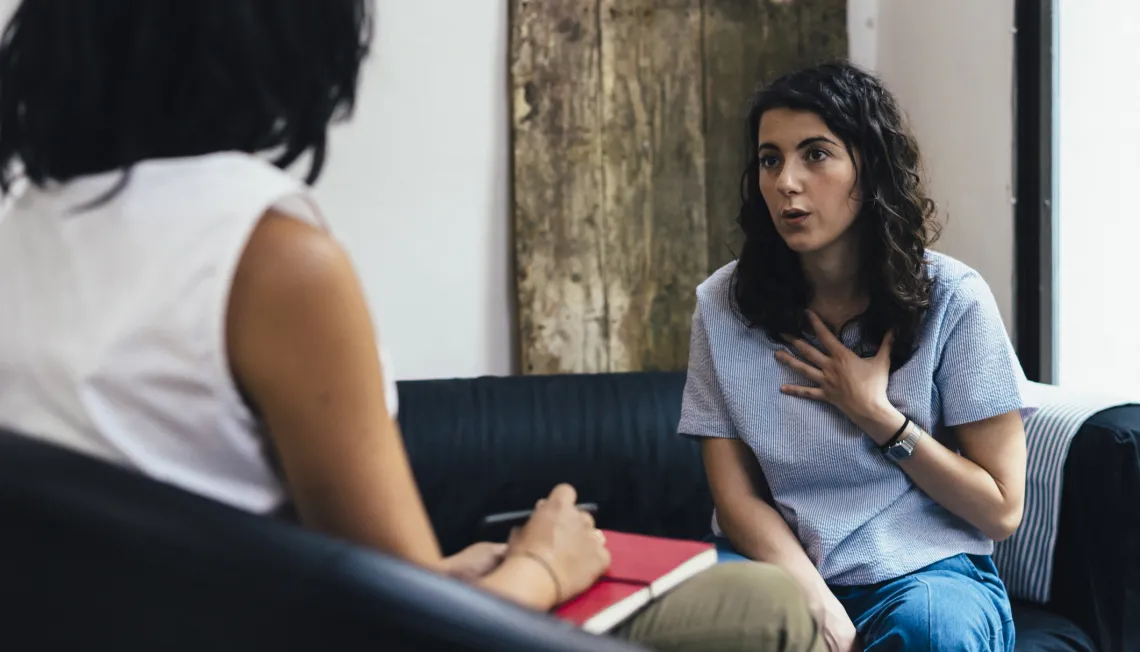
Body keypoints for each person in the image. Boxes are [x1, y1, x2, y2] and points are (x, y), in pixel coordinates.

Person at [0, 2, 825, 650]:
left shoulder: (24, 226)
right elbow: (395, 629)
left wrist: (436, 574)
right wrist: (544, 564)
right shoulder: (268, 255)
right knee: (761, 605)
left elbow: (303, 556)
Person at [679, 62, 1029, 652]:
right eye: (770, 159)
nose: (787, 181)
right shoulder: (722, 305)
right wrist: (810, 596)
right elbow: (736, 499)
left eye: (815, 155)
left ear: (869, 169)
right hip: (774, 567)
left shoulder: (954, 298)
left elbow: (1000, 510)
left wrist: (875, 413)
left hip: (925, 572)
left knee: (933, 631)